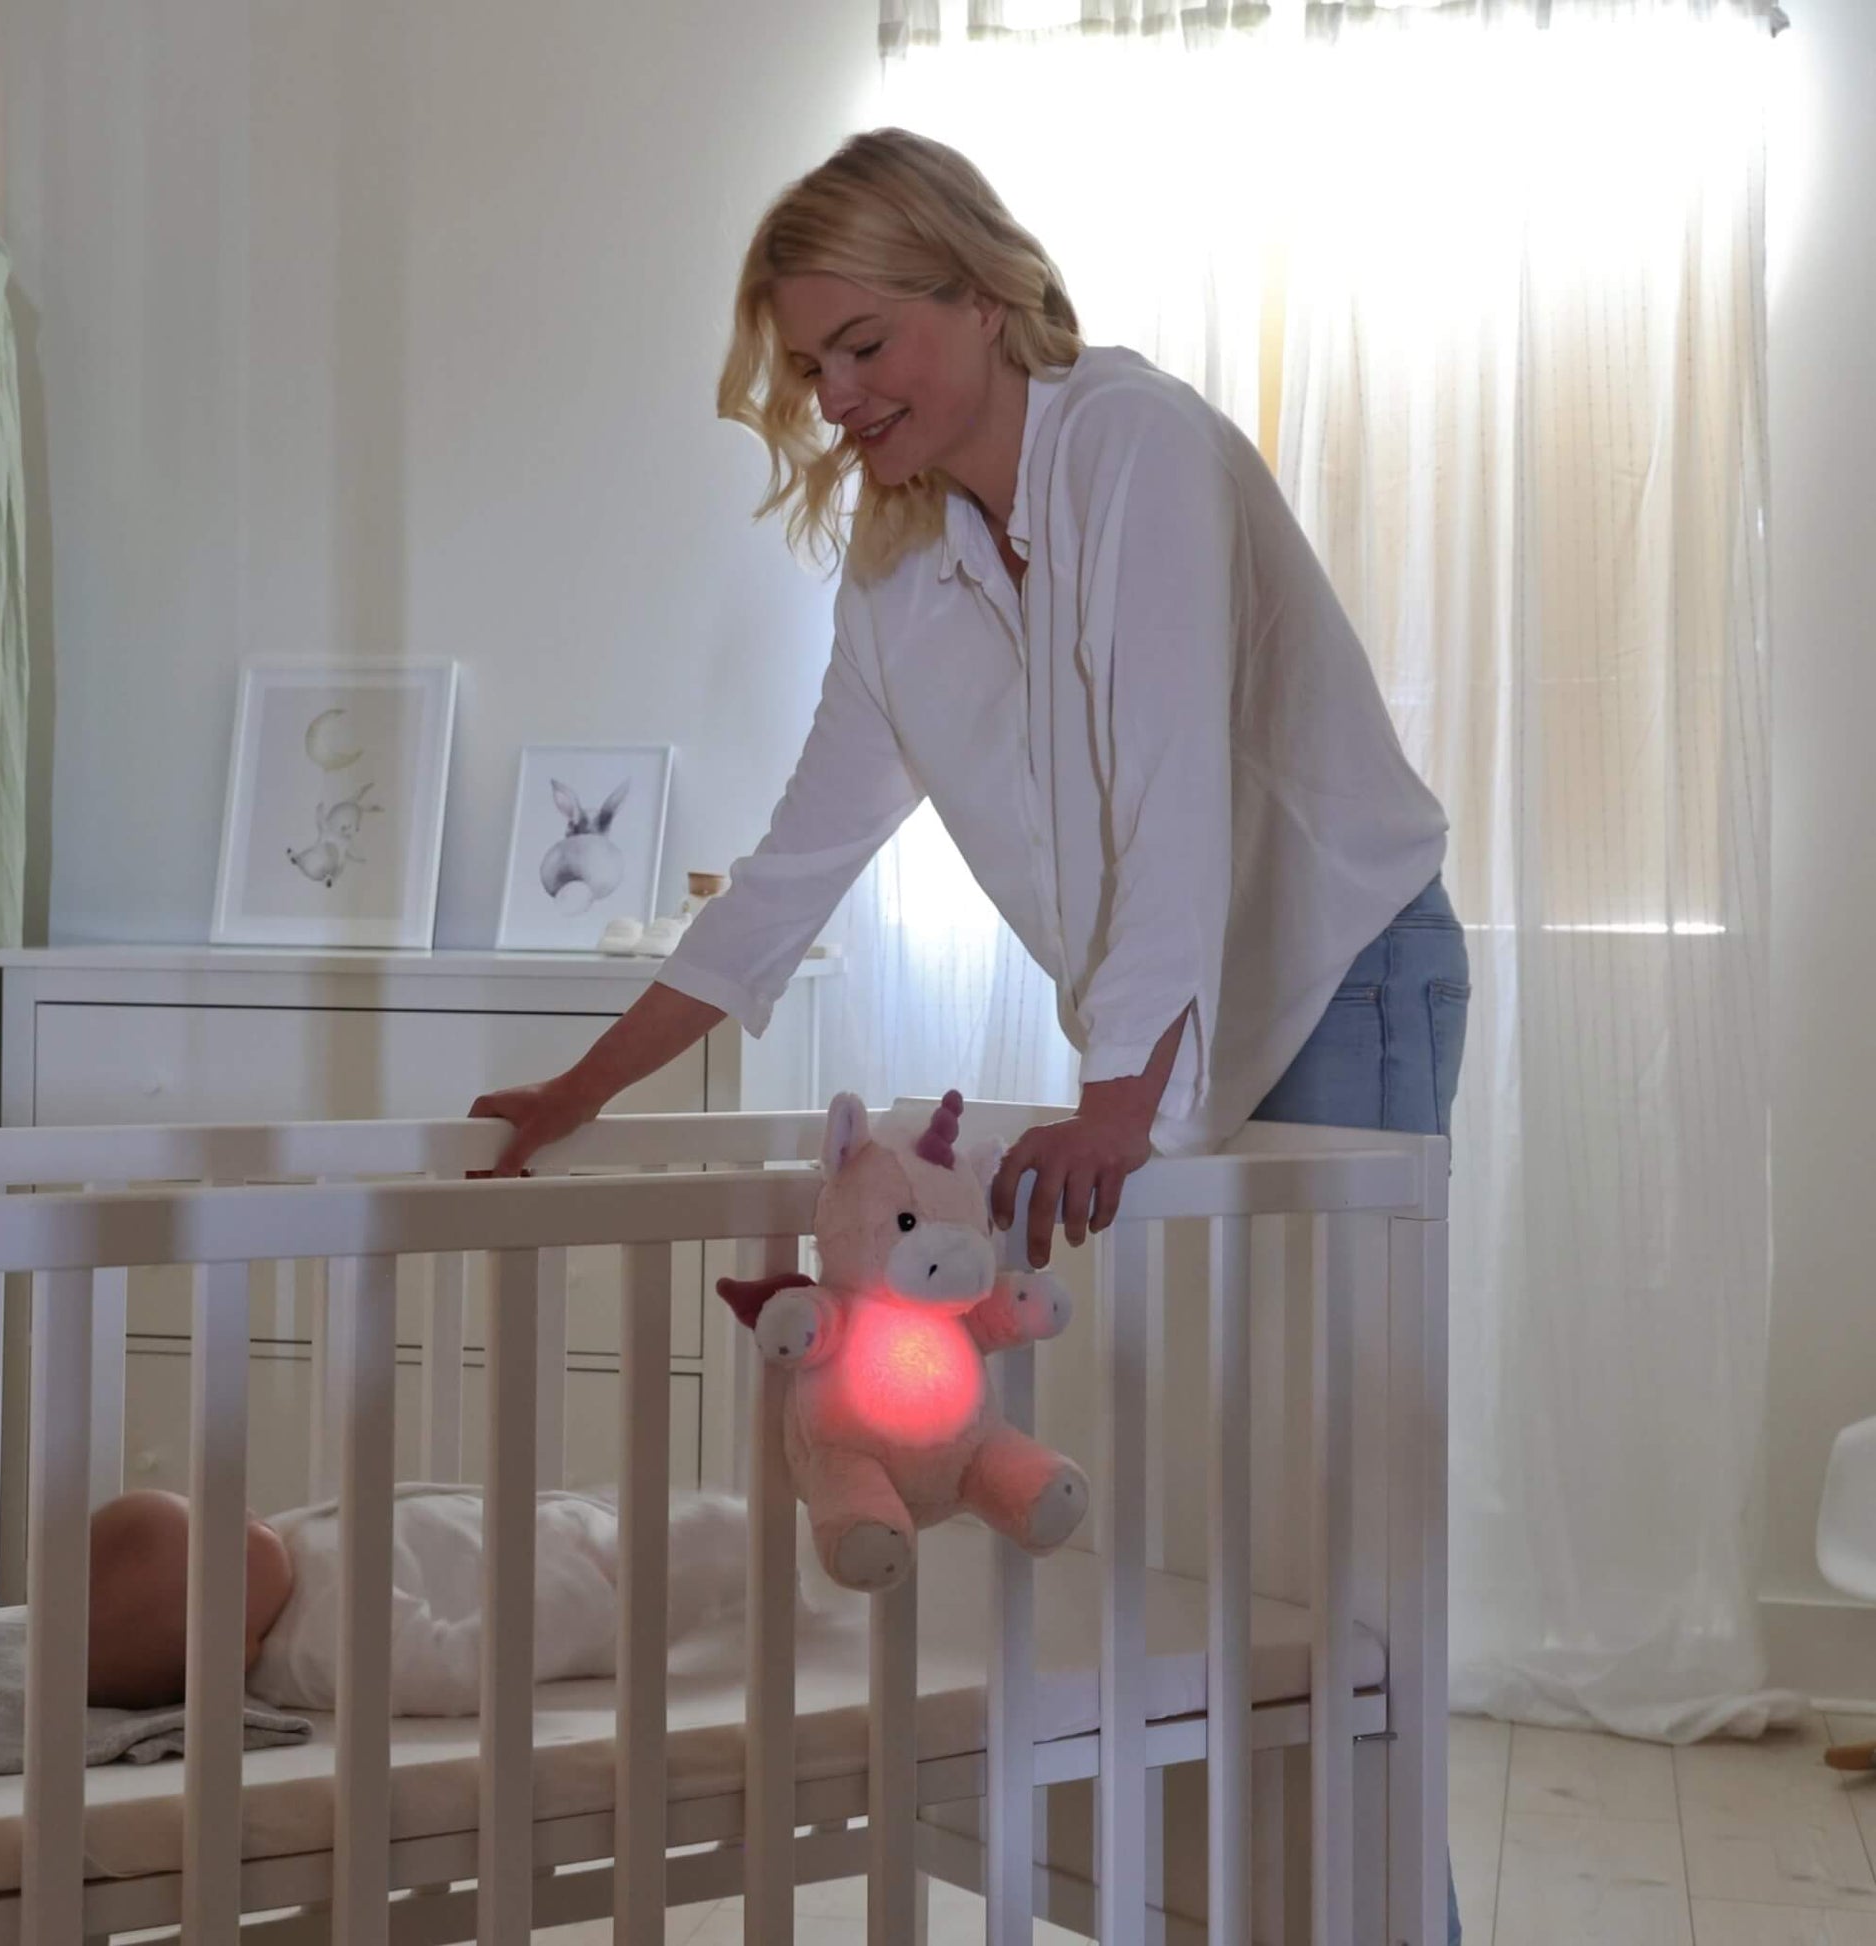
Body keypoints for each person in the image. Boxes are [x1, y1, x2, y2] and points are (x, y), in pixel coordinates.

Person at [471, 128, 1467, 1936]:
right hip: (1168, 1036)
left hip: (1337, 968)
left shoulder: (1137, 450)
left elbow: (1175, 783)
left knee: (1344, 1538)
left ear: (978, 289)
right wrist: (584, 1083)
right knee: (1227, 1546)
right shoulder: (897, 562)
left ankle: (1410, 1919)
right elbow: (796, 861)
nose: (838, 397)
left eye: (865, 345)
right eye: (809, 367)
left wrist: (1113, 1091)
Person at [81, 1484, 750, 1716]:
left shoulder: (277, 1573)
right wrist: (580, 1587)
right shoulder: (325, 1640)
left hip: (561, 1536)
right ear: (235, 1645)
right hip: (600, 1589)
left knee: (727, 1539)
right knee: (729, 1534)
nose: (239, 1513)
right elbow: (461, 1667)